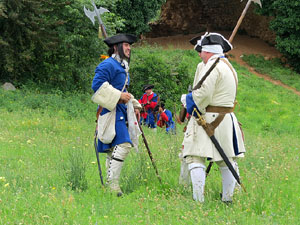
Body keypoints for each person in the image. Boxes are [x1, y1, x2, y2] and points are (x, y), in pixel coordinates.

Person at [181, 32, 246, 203]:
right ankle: (227, 199)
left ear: (208, 51)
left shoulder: (212, 66)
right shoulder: (228, 66)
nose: (199, 53)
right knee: (225, 161)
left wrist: (187, 99)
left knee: (195, 156)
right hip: (226, 118)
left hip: (208, 118)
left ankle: (198, 200)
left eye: (201, 50)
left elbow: (203, 95)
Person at [91, 34, 142, 196]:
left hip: (120, 111)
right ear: (116, 47)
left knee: (112, 149)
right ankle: (113, 185)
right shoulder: (107, 64)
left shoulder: (121, 66)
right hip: (111, 110)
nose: (129, 48)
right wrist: (119, 96)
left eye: (129, 45)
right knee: (124, 145)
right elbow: (97, 85)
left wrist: (134, 105)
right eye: (126, 45)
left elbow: (123, 91)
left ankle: (110, 187)